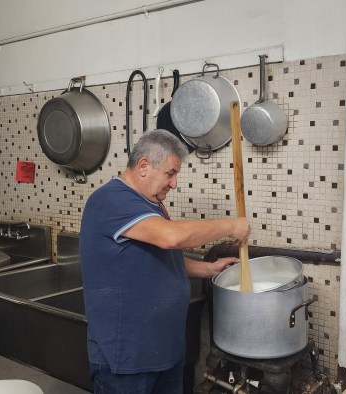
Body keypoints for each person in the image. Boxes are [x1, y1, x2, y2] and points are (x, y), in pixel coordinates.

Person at [80, 129, 251, 394]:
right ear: (144, 166)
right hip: (128, 359)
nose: (173, 184)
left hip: (164, 351)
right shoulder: (110, 200)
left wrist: (209, 269)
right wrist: (231, 225)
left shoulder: (151, 203)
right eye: (170, 174)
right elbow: (170, 238)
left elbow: (160, 259)